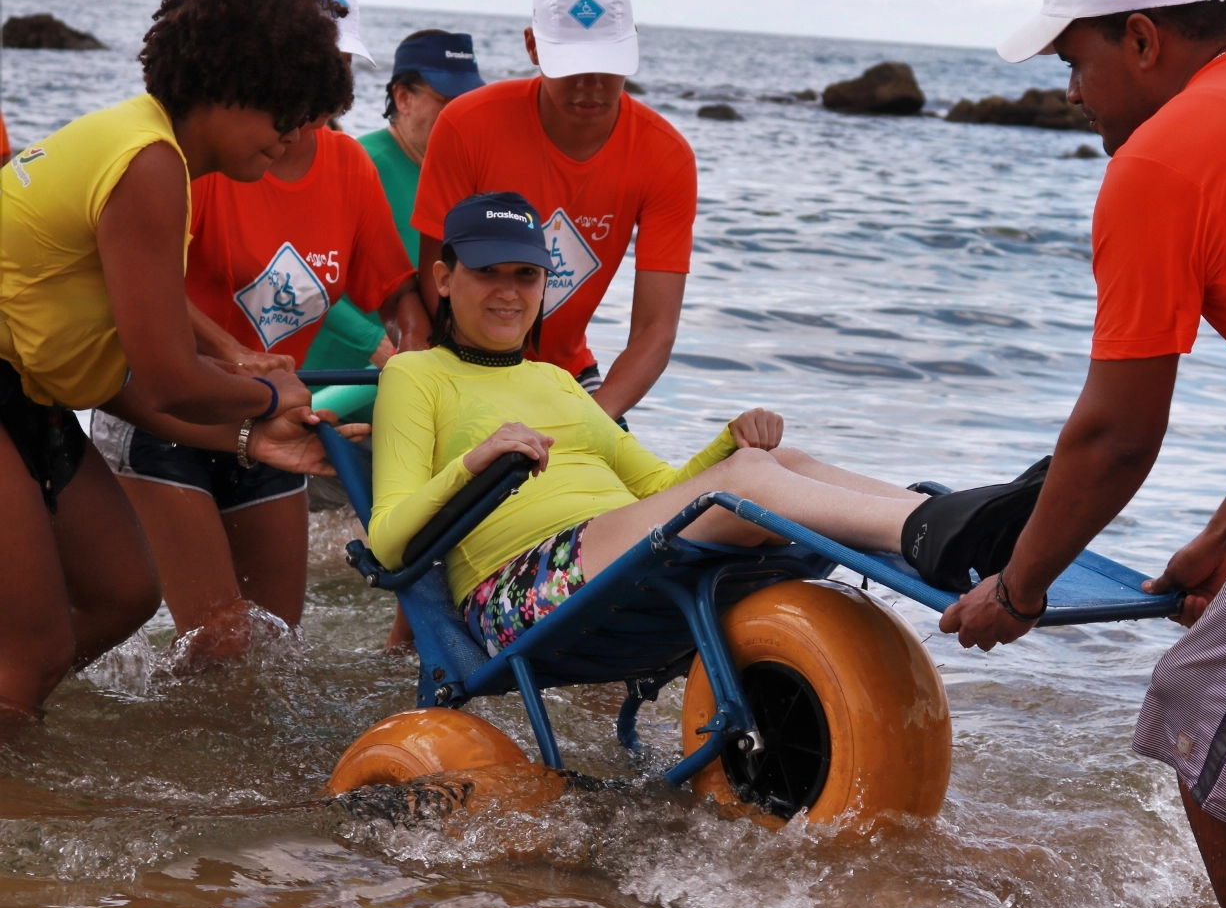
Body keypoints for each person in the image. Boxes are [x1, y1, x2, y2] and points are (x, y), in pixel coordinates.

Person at [940, 0, 1226, 908]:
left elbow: (1116, 434)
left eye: (1074, 60)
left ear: (1140, 39)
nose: (1069, 90)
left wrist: (1020, 587)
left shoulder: (1162, 160)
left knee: (1198, 707)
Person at [369, 193, 1043, 655]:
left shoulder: (553, 380)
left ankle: (963, 522)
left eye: (527, 274)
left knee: (781, 463)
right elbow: (390, 542)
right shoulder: (415, 375)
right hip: (520, 591)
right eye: (489, 273)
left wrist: (730, 442)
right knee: (748, 481)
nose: (511, 292)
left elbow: (660, 486)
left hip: (607, 561)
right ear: (444, 278)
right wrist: (472, 464)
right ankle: (933, 535)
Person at [0, 0, 365, 720]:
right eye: (285, 110)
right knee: (29, 649)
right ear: (231, 87)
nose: (294, 134)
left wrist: (247, 424)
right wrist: (268, 404)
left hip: (21, 385)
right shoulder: (149, 164)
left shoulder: (153, 151)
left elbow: (119, 372)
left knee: (123, 594)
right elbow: (163, 377)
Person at [90, 0, 430, 665]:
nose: (315, 95)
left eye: (334, 72)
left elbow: (399, 291)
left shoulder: (351, 167)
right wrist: (231, 352)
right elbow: (142, 287)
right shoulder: (208, 160)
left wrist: (416, 355)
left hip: (275, 417)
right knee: (221, 643)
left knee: (276, 651)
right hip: (168, 415)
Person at [412, 0, 696, 422]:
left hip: (569, 374)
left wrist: (589, 425)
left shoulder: (667, 157)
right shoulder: (466, 125)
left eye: (606, 64)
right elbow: (435, 284)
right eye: (573, 66)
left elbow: (655, 329)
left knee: (633, 489)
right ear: (533, 47)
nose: (591, 85)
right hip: (466, 361)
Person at [304, 29, 485, 414]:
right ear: (402, 97)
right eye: (448, 101)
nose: (461, 114)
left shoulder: (469, 182)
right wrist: (378, 343)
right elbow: (299, 272)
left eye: (469, 102)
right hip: (327, 385)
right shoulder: (355, 164)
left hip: (407, 391)